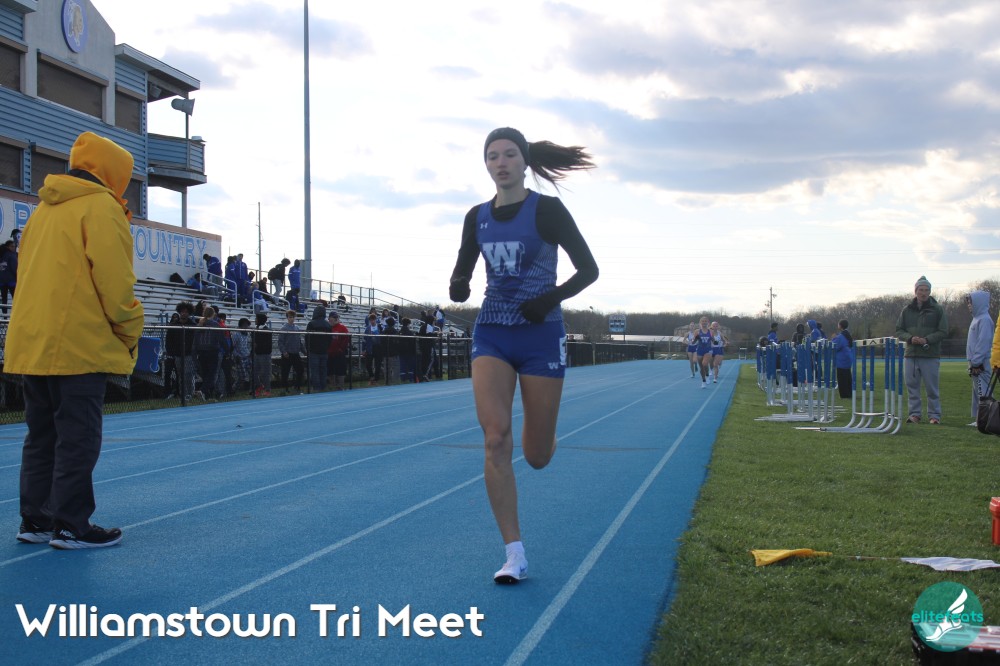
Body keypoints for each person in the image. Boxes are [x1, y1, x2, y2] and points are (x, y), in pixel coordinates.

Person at [448, 127, 598, 583]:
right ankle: (514, 553)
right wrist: (459, 284)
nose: (501, 162)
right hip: (492, 334)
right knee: (495, 440)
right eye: (493, 156)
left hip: (540, 336)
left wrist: (548, 299)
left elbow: (588, 270)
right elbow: (462, 268)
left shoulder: (547, 210)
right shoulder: (476, 216)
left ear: (525, 161)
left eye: (509, 154)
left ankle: (546, 434)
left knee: (535, 456)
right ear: (486, 164)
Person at [9, 131, 144, 548]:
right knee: (78, 437)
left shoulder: (43, 210)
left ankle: (35, 519)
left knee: (41, 437)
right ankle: (72, 524)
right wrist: (130, 329)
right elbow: (115, 283)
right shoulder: (101, 208)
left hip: (33, 342)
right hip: (78, 344)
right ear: (113, 172)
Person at [895, 275, 948, 424]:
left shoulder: (937, 309)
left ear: (930, 292)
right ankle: (914, 414)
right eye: (921, 290)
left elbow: (943, 331)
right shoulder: (906, 310)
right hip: (911, 355)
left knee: (932, 388)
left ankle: (934, 415)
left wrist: (927, 340)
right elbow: (899, 330)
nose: (923, 293)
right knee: (912, 387)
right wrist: (910, 338)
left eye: (926, 290)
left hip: (930, 355)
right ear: (915, 291)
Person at [966, 291, 994, 426]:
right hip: (975, 363)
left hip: (981, 363)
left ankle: (986, 418)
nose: (969, 305)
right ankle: (980, 418)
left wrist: (976, 362)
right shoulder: (977, 319)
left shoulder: (985, 320)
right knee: (978, 392)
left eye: (970, 303)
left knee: (983, 391)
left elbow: (983, 342)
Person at [164, 301, 196, 400]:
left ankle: (190, 393)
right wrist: (170, 352)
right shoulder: (173, 325)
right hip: (177, 354)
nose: (184, 313)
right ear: (179, 312)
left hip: (188, 354)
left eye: (186, 312)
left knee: (188, 374)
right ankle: (183, 394)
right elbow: (168, 340)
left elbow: (195, 340)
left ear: (189, 313)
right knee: (180, 375)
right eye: (182, 311)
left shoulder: (193, 325)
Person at [193, 306, 223, 401]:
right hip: (212, 351)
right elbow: (220, 338)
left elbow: (195, 341)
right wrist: (227, 349)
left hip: (201, 352)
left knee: (205, 373)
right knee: (212, 374)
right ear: (213, 314)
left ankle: (206, 395)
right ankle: (203, 390)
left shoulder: (199, 325)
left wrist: (194, 352)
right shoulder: (215, 324)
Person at [278, 309, 305, 394]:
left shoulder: (297, 328)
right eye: (290, 317)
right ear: (287, 318)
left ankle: (297, 387)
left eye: (293, 317)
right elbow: (280, 342)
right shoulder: (283, 328)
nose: (292, 319)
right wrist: (284, 352)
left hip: (296, 353)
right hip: (287, 354)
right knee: (285, 372)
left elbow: (299, 342)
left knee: (300, 370)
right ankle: (284, 388)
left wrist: (304, 351)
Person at [306, 305, 332, 392]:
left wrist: (308, 349)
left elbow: (307, 338)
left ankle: (316, 387)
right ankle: (323, 386)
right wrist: (326, 347)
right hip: (324, 351)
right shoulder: (328, 325)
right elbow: (330, 339)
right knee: (323, 370)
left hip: (314, 351)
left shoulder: (311, 324)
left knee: (315, 370)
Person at [831, 319, 855, 399]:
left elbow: (835, 346)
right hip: (848, 357)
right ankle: (849, 393)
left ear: (840, 326)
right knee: (848, 376)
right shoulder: (848, 335)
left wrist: (833, 338)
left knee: (841, 377)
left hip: (842, 359)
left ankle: (844, 395)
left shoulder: (841, 336)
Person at [327, 310, 350, 390]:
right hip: (330, 353)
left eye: (335, 318)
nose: (334, 320)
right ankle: (332, 386)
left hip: (339, 353)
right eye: (332, 318)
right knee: (330, 371)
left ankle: (340, 386)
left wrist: (341, 349)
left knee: (340, 370)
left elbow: (346, 339)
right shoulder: (328, 327)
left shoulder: (342, 328)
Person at [252, 312, 273, 397]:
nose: (255, 320)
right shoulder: (256, 329)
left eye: (256, 319)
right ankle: (258, 386)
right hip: (257, 354)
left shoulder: (266, 330)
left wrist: (257, 345)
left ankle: (267, 389)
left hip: (264, 354)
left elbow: (267, 344)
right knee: (254, 372)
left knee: (265, 373)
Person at [692, 316, 712, 388]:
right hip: (700, 350)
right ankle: (703, 380)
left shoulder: (710, 331)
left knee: (705, 363)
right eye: (702, 321)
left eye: (705, 321)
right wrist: (695, 338)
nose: (704, 322)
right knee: (701, 367)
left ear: (708, 323)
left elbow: (714, 340)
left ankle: (707, 375)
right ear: (700, 323)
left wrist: (715, 341)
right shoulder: (697, 331)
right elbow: (693, 342)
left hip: (708, 350)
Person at [0, 238, 17, 314]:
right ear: (8, 247)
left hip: (2, 281)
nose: (14, 248)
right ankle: (16, 314)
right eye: (12, 246)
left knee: (4, 298)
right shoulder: (12, 255)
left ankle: (4, 315)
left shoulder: (1, 254)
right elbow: (14, 268)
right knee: (15, 298)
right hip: (11, 281)